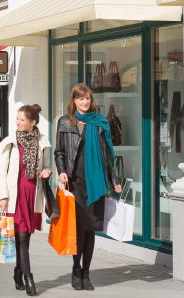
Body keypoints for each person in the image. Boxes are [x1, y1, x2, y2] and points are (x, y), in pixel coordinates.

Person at [55, 83, 122, 291]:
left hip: (96, 181)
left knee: (91, 230)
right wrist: (62, 170)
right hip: (76, 182)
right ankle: (76, 269)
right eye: (80, 98)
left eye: (87, 98)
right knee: (78, 229)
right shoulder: (65, 122)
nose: (85, 102)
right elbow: (59, 152)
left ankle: (86, 273)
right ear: (73, 100)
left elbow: (107, 155)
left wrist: (115, 180)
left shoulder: (100, 123)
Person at [0, 105, 52, 296]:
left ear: (33, 122)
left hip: (32, 195)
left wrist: (47, 171)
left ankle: (18, 271)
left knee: (25, 237)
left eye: (22, 119)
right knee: (20, 236)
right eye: (17, 119)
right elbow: (0, 171)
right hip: (14, 196)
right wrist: (1, 195)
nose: (18, 122)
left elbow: (46, 166)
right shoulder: (10, 142)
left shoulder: (42, 141)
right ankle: (28, 277)